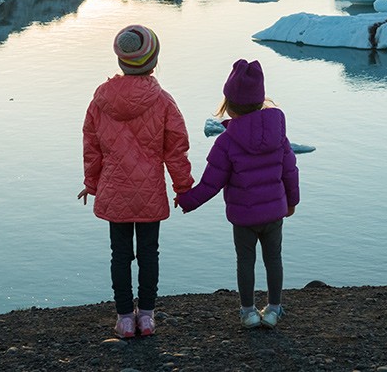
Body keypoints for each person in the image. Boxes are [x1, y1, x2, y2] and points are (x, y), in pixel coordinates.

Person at [79, 24, 193, 339]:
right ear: (153, 61)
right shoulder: (164, 101)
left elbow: (92, 147)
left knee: (119, 255)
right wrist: (183, 188)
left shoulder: (99, 101)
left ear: (121, 61)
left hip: (114, 190)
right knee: (148, 253)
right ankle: (146, 317)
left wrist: (92, 183)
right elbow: (176, 149)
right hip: (150, 192)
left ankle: (124, 319)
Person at [177, 59, 300, 329]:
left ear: (229, 104)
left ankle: (248, 312)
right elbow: (290, 171)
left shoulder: (227, 141)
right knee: (274, 259)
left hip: (244, 216)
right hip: (274, 212)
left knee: (245, 261)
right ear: (260, 100)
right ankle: (274, 309)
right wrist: (292, 202)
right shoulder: (279, 135)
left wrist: (187, 200)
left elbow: (211, 183)